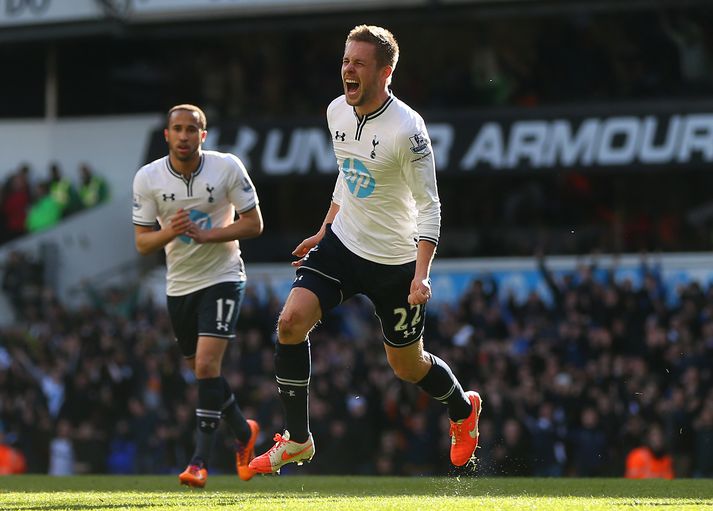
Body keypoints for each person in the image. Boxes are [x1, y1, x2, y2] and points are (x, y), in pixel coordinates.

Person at [250, 25, 482, 475]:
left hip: (396, 262)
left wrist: (421, 272)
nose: (347, 70)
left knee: (406, 365)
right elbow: (347, 171)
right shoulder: (337, 111)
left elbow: (430, 204)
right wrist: (324, 230)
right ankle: (298, 440)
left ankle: (462, 409)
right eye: (345, 61)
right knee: (290, 323)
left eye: (358, 63)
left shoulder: (408, 131)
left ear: (385, 72)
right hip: (344, 243)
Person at [132, 104, 263, 488]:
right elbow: (142, 244)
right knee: (203, 372)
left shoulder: (226, 168)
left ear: (203, 135)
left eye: (193, 129)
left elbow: (254, 223)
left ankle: (199, 461)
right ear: (167, 135)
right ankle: (242, 431)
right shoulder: (149, 178)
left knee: (206, 366)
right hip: (179, 286)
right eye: (178, 129)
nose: (185, 135)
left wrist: (209, 235)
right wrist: (171, 231)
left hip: (223, 276)